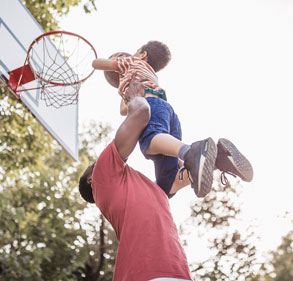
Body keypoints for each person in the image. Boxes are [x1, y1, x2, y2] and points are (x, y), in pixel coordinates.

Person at [92, 41, 253, 198]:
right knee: (166, 184)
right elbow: (123, 109)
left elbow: (96, 63)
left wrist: (112, 63)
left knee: (150, 140)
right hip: (166, 111)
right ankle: (220, 159)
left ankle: (191, 151)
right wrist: (124, 84)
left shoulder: (130, 62)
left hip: (151, 106)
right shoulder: (149, 73)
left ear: (142, 54)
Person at [79, 80, 193, 280]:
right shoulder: (101, 177)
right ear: (91, 179)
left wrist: (212, 160)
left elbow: (180, 180)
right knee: (149, 143)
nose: (96, 161)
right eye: (91, 164)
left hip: (175, 272)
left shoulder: (151, 190)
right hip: (146, 273)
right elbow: (141, 113)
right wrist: (134, 97)